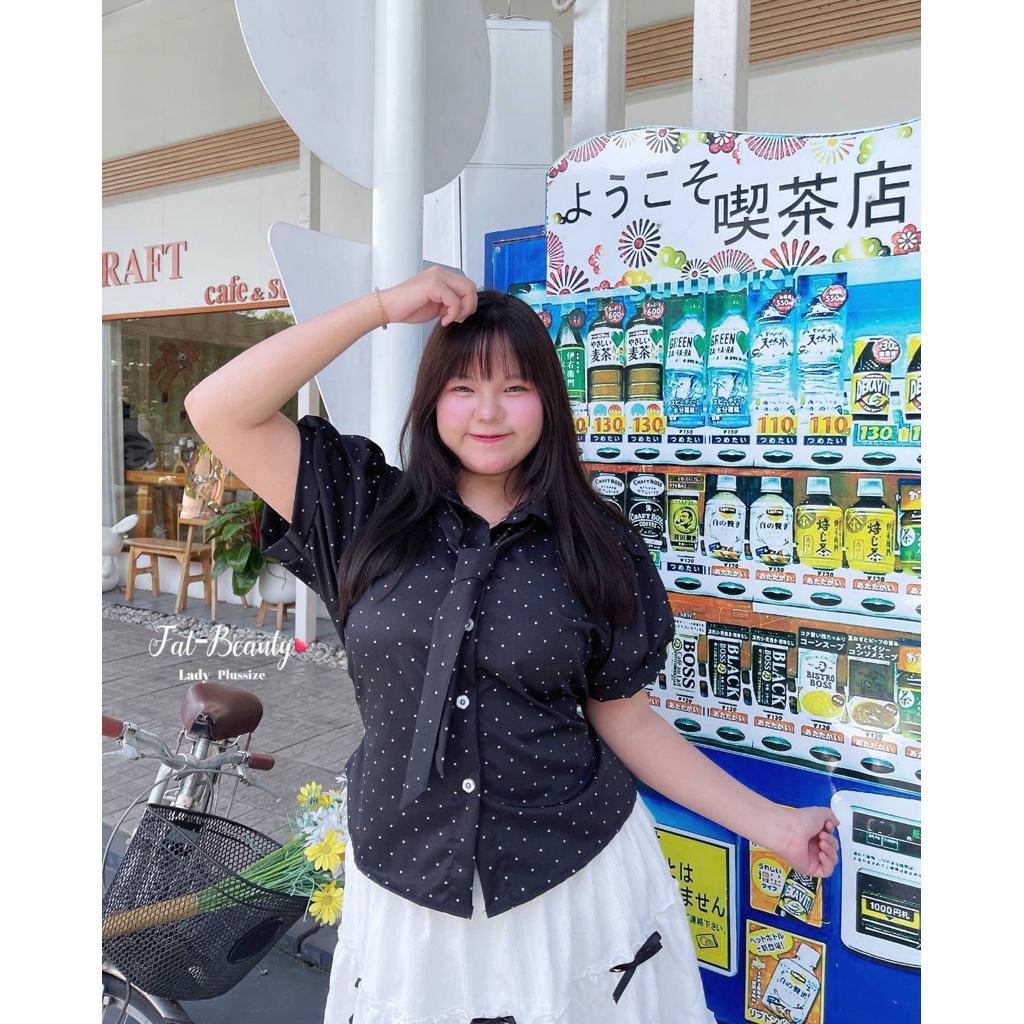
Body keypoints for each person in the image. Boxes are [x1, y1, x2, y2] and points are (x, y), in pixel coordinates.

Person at [185, 266, 838, 1024]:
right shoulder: (364, 508)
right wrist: (382, 307)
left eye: (515, 387)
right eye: (463, 386)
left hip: (570, 882)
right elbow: (219, 409)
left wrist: (772, 824)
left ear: (548, 402)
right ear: (432, 401)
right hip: (406, 882)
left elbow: (626, 721)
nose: (488, 411)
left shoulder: (597, 543)